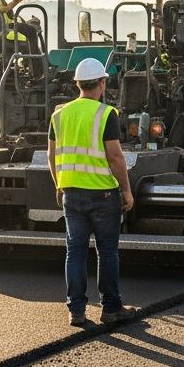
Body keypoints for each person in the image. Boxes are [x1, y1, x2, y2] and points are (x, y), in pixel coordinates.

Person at [47, 58, 138, 327]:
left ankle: (76, 311)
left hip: (71, 194)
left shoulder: (59, 114)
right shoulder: (105, 113)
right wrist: (127, 191)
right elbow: (115, 157)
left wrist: (59, 185)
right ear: (102, 82)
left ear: (77, 84)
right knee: (107, 253)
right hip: (103, 195)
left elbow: (51, 155)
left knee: (74, 252)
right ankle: (111, 309)